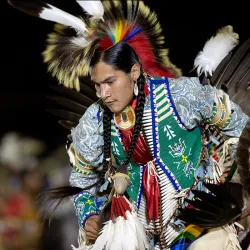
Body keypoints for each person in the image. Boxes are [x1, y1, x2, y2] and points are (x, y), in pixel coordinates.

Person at [7, 0, 250, 249]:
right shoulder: (94, 121)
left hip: (203, 221)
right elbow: (82, 178)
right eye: (98, 84)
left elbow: (240, 129)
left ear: (135, 72)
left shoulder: (182, 97)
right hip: (133, 233)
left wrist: (235, 190)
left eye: (110, 82)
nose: (102, 93)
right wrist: (88, 215)